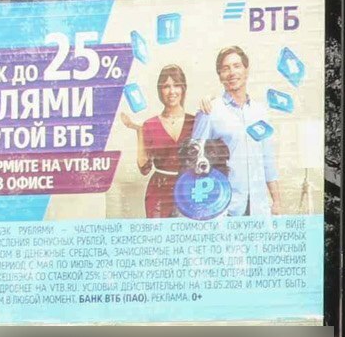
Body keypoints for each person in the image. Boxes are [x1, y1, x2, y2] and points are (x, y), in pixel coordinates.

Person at [190, 46, 296, 217]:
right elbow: (194, 157)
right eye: (225, 68)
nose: (232, 72)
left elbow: (267, 160)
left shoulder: (260, 112)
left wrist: (276, 201)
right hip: (224, 207)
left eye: (237, 66)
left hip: (258, 207)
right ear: (219, 76)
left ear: (246, 70)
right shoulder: (210, 111)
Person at [116, 64, 192, 218]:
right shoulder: (150, 125)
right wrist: (139, 131)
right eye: (166, 86)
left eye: (176, 85)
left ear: (183, 89)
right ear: (160, 91)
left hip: (189, 188)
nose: (172, 91)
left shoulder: (195, 122)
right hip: (159, 192)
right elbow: (144, 168)